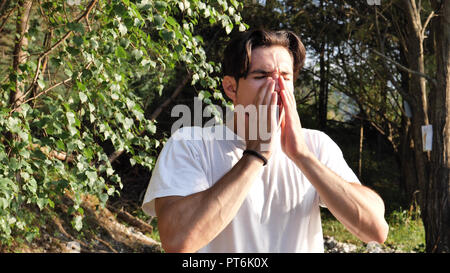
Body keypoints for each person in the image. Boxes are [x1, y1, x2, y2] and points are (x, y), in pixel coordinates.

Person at [141, 29, 389, 253]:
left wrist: (302, 155)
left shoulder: (316, 145)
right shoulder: (191, 144)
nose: (277, 87)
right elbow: (177, 241)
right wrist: (254, 156)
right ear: (230, 88)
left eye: (285, 76)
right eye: (262, 76)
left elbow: (375, 231)